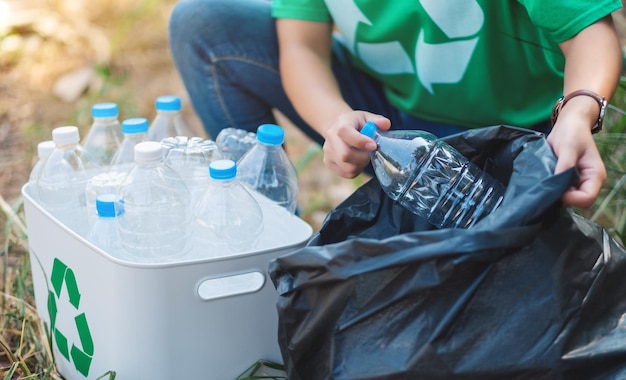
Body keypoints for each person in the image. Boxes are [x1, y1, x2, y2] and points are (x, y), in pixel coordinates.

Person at [169, 0, 623, 209]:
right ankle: (261, 227)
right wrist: (336, 121)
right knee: (204, 26)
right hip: (391, 133)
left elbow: (589, 33)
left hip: (510, 145)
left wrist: (578, 114)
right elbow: (302, 48)